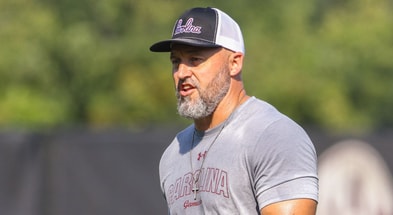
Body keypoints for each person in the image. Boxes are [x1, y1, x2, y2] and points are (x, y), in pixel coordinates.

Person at [150, 7, 318, 214]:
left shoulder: (273, 135)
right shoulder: (173, 153)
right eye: (176, 61)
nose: (182, 73)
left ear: (235, 63)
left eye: (195, 60)